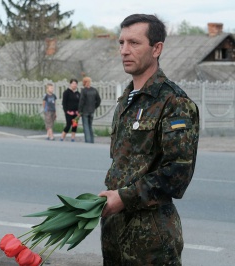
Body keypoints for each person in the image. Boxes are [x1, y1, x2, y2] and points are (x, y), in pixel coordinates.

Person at [98, 14, 199, 265]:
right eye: (121, 43)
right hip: (115, 229)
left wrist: (124, 197)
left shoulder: (174, 102)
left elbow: (177, 174)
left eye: (134, 43)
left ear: (157, 48)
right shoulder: (127, 100)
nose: (124, 50)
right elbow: (124, 165)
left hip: (151, 238)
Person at [78, 77, 101, 143]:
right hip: (92, 111)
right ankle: (92, 140)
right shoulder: (94, 90)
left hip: (85, 111)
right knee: (90, 126)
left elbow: (81, 101)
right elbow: (99, 100)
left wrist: (79, 111)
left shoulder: (84, 90)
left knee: (86, 126)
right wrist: (94, 107)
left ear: (84, 82)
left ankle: (88, 141)